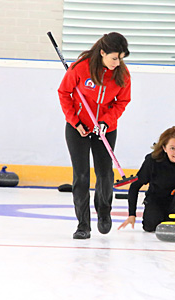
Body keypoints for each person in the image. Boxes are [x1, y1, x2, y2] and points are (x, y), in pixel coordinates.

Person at [58, 32, 131, 239]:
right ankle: (83, 224)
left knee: (105, 174)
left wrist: (106, 121)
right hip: (78, 127)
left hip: (105, 128)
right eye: (114, 58)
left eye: (121, 58)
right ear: (102, 53)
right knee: (81, 176)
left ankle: (104, 211)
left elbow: (122, 102)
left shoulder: (122, 75)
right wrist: (75, 121)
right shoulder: (80, 68)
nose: (118, 63)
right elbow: (64, 93)